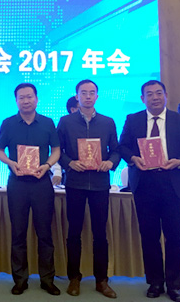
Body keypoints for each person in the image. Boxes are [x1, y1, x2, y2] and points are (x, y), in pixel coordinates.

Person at [118, 80, 180, 302]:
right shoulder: (133, 119)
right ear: (142, 98)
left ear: (166, 95)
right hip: (145, 185)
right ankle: (155, 282)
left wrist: (179, 161)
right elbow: (122, 146)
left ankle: (174, 285)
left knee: (176, 238)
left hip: (173, 185)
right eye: (149, 94)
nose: (155, 97)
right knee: (149, 237)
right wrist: (133, 158)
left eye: (158, 93)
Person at [0, 83, 61, 296]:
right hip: (18, 184)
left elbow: (56, 150)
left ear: (36, 99)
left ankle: (47, 279)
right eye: (21, 97)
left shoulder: (48, 122)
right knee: (18, 233)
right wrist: (10, 163)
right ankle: (20, 280)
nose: (26, 101)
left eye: (29, 96)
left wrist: (48, 165)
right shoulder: (8, 123)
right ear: (16, 101)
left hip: (42, 184)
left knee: (45, 233)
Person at [57, 80, 120, 298]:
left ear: (97, 96)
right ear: (77, 96)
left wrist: (111, 162)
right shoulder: (65, 122)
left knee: (100, 234)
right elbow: (58, 150)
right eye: (83, 93)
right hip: (75, 183)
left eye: (92, 92)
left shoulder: (108, 122)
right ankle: (74, 278)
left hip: (100, 184)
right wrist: (69, 163)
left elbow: (116, 150)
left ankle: (101, 280)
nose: (87, 96)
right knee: (74, 233)